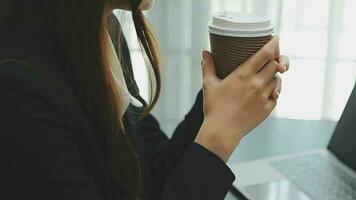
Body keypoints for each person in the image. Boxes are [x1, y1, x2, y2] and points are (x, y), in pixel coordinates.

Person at [0, 0, 289, 199]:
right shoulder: (18, 93)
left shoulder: (99, 33)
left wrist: (223, 98)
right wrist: (221, 135)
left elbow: (151, 178)